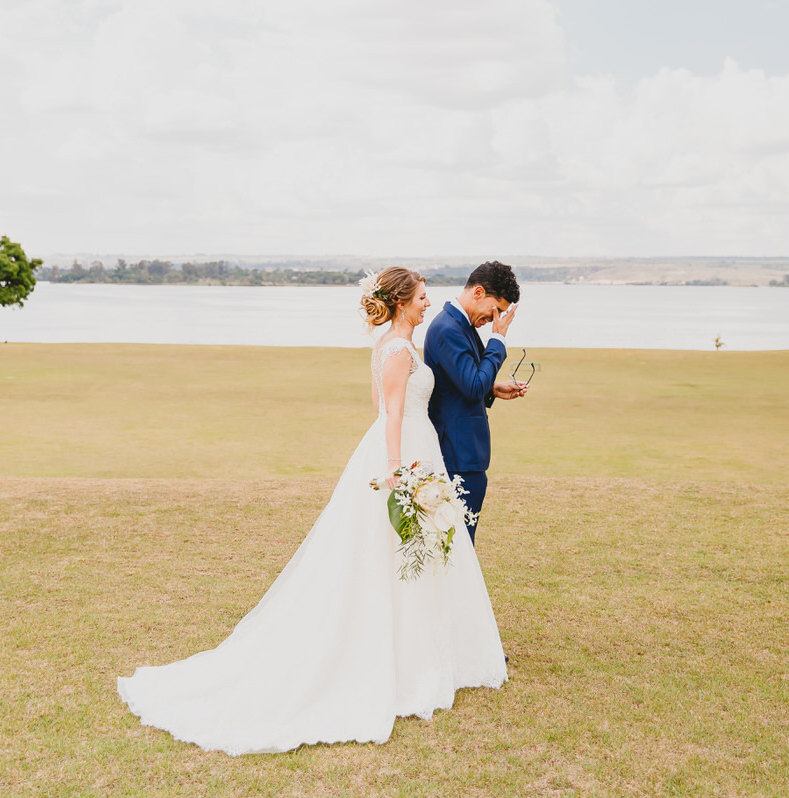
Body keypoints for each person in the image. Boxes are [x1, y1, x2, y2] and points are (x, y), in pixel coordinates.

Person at [117, 267, 507, 755]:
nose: (428, 304)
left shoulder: (403, 346)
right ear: (403, 301)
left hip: (419, 447)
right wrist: (395, 467)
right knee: (400, 550)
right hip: (403, 454)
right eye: (423, 298)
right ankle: (397, 661)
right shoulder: (394, 350)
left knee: (421, 553)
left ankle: (425, 652)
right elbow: (386, 412)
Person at [424, 261, 525, 544]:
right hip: (457, 455)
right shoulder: (448, 328)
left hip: (464, 453)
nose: (496, 319)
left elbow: (461, 383)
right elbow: (471, 387)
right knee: (457, 546)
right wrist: (498, 339)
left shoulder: (460, 325)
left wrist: (492, 388)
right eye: (497, 310)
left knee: (459, 547)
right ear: (478, 292)